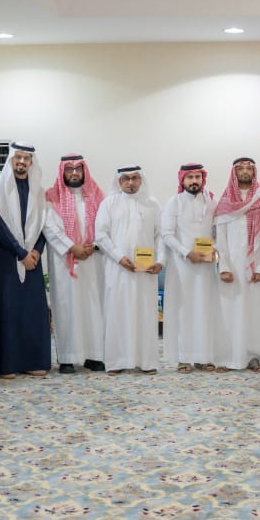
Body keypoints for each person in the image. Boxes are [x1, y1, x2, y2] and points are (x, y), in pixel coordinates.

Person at [0, 142, 51, 378]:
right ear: (11, 159)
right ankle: (7, 364)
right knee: (7, 309)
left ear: (32, 162)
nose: (22, 162)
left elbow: (44, 225)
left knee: (32, 311)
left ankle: (33, 361)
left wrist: (37, 251)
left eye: (27, 158)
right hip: (5, 258)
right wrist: (20, 253)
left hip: (32, 259)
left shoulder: (38, 191)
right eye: (18, 157)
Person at [94, 166, 163, 373]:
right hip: (118, 270)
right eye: (126, 179)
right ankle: (117, 362)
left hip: (146, 272)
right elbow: (100, 235)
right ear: (119, 181)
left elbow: (160, 235)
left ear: (141, 180)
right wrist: (118, 257)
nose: (130, 183)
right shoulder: (109, 204)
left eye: (135, 178)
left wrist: (160, 261)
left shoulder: (152, 204)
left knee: (145, 314)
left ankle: (146, 362)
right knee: (117, 313)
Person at [44, 155, 106, 374]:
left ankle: (94, 355)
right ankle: (67, 358)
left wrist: (94, 246)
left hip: (92, 259)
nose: (74, 173)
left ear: (84, 170)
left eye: (78, 168)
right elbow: (49, 228)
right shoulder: (52, 196)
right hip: (64, 262)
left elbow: (105, 224)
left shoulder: (97, 195)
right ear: (62, 172)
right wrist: (72, 247)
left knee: (93, 305)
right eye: (69, 169)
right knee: (66, 306)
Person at [213, 157, 260, 372]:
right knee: (229, 311)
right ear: (234, 172)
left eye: (249, 168)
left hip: (255, 268)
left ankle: (253, 357)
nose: (245, 172)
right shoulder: (225, 202)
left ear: (254, 171)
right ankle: (229, 357)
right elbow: (220, 239)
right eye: (241, 169)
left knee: (255, 313)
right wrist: (224, 267)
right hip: (232, 269)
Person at [161, 162, 220, 373]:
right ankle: (183, 358)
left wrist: (215, 251)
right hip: (182, 267)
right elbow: (167, 234)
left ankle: (203, 357)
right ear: (182, 180)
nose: (194, 181)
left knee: (205, 309)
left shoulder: (212, 202)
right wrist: (187, 253)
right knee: (184, 310)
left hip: (206, 267)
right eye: (190, 177)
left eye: (197, 177)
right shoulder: (174, 203)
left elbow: (217, 232)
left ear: (203, 179)